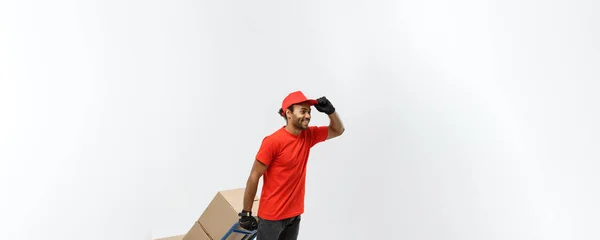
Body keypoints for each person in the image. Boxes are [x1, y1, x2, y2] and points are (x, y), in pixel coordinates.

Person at [237, 90, 345, 240]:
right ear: (288, 113)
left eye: (309, 112)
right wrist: (246, 213)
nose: (308, 116)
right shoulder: (273, 142)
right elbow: (254, 176)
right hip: (272, 218)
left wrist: (331, 112)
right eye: (303, 111)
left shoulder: (308, 135)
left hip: (294, 215)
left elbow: (338, 130)